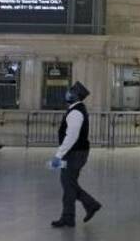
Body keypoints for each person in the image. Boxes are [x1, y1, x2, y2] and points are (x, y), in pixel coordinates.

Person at [49, 81, 101, 228]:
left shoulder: (76, 112)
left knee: (68, 184)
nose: (68, 93)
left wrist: (58, 155)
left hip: (74, 154)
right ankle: (69, 217)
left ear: (76, 96)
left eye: (71, 91)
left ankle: (90, 205)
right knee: (68, 185)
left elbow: (71, 136)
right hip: (75, 153)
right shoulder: (75, 109)